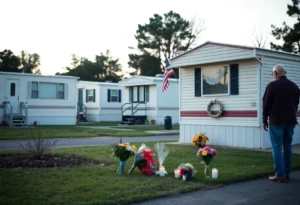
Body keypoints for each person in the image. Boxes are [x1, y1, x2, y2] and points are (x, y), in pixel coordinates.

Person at [262, 64, 299, 183]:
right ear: (285, 72)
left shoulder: (272, 86)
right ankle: (287, 173)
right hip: (291, 120)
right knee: (287, 146)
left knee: (277, 146)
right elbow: (296, 103)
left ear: (276, 73)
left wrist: (264, 120)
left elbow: (266, 104)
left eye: (273, 73)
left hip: (276, 120)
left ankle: (279, 174)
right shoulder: (294, 86)